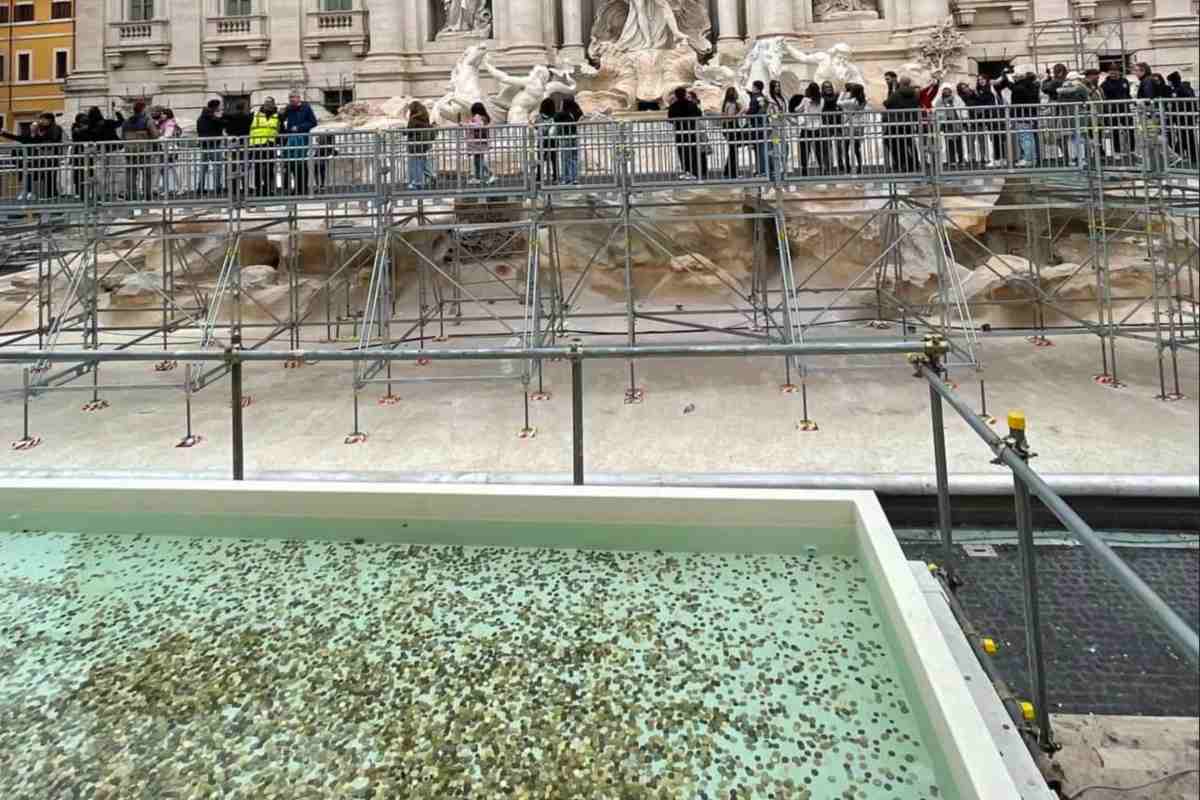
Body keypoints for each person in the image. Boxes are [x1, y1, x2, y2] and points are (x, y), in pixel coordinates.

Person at [0, 112, 65, 201]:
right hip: (39, 159)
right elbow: (24, 139)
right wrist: (5, 134)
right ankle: (30, 191)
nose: (40, 121)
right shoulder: (38, 130)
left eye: (42, 119)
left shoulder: (55, 128)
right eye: (40, 119)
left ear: (49, 120)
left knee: (50, 179)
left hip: (50, 159)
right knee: (29, 172)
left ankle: (52, 197)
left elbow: (51, 141)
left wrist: (37, 138)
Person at [121, 100, 160, 200]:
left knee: (130, 175)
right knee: (147, 174)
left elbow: (122, 137)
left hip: (130, 152)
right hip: (144, 151)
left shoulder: (126, 121)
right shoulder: (147, 120)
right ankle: (147, 195)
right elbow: (155, 135)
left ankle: (131, 195)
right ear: (143, 109)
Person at [282, 91, 318, 195]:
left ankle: (302, 187)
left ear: (299, 98)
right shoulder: (289, 109)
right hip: (290, 139)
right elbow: (282, 120)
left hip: (302, 138)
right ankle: (296, 187)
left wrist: (299, 127)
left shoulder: (306, 108)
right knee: (291, 163)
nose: (291, 99)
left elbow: (313, 122)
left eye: (293, 97)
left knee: (301, 163)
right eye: (290, 98)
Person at [882, 76, 921, 173]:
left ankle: (906, 163)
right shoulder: (915, 94)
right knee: (909, 142)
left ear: (901, 83)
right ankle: (914, 163)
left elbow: (887, 103)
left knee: (890, 141)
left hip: (895, 123)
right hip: (908, 122)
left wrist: (893, 91)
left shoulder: (897, 93)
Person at [1004, 68, 1042, 166]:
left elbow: (1012, 87)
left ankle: (1028, 159)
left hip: (1022, 114)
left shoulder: (1021, 86)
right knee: (1028, 136)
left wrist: (1005, 76)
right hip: (1030, 114)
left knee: (1025, 137)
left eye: (1015, 76)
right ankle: (1031, 158)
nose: (1014, 78)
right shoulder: (1032, 85)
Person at [249, 96, 283, 197]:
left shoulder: (278, 116)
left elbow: (281, 129)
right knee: (258, 169)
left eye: (270, 103)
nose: (268, 105)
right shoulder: (255, 114)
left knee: (269, 168)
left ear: (273, 104)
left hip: (270, 143)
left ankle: (269, 189)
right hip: (257, 144)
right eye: (266, 103)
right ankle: (259, 190)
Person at [667, 86, 702, 180]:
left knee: (682, 152)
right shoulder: (691, 104)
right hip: (691, 131)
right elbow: (699, 114)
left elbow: (670, 119)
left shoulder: (673, 106)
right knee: (693, 151)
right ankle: (694, 172)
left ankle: (686, 171)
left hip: (680, 132)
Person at [1101, 65, 1133, 160]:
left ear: (1119, 72)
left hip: (1125, 110)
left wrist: (1131, 102)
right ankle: (1117, 151)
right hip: (1112, 111)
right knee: (1115, 131)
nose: (1113, 73)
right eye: (1111, 71)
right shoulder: (1105, 84)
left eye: (1115, 71)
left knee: (1130, 129)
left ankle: (1131, 150)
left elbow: (1127, 94)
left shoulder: (1124, 81)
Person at [222, 100, 253, 198]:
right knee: (244, 167)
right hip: (244, 143)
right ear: (244, 108)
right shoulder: (248, 117)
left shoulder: (230, 117)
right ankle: (245, 188)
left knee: (233, 167)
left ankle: (234, 189)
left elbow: (226, 129)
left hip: (233, 143)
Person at [974, 76, 1007, 166]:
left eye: (983, 79)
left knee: (999, 137)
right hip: (990, 116)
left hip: (996, 115)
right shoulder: (979, 91)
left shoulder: (992, 87)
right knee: (995, 138)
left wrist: (1003, 75)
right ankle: (998, 159)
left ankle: (1000, 159)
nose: (981, 81)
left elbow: (1003, 83)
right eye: (979, 80)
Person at [836, 82, 868, 174]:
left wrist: (843, 93)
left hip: (849, 125)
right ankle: (860, 167)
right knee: (856, 148)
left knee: (845, 147)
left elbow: (838, 102)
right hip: (859, 126)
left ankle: (848, 167)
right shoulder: (863, 101)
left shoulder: (852, 101)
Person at [196, 99, 226, 196]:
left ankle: (200, 187)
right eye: (220, 106)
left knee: (203, 168)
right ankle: (217, 187)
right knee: (217, 167)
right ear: (216, 107)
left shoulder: (200, 118)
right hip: (214, 145)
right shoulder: (212, 117)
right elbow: (222, 124)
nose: (221, 107)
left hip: (204, 145)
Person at [1166, 71, 1197, 165]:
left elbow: (1182, 102)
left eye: (1169, 81)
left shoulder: (1179, 89)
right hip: (1185, 116)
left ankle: (1178, 154)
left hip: (1184, 117)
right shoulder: (1182, 88)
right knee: (1187, 136)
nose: (1168, 83)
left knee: (1185, 136)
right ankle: (1190, 156)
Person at [793, 82, 824, 177]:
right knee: (818, 150)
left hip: (806, 127)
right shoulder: (821, 100)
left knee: (804, 150)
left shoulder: (806, 100)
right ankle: (821, 169)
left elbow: (797, 109)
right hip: (818, 127)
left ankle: (805, 170)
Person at [405, 100, 437, 189]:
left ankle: (417, 183)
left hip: (414, 144)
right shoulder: (425, 117)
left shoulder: (413, 119)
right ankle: (430, 176)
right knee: (422, 162)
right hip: (424, 144)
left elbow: (408, 131)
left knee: (415, 164)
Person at [933, 84, 967, 168]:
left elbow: (963, 108)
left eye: (948, 89)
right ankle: (951, 160)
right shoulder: (939, 101)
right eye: (945, 89)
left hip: (956, 122)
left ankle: (961, 159)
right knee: (949, 143)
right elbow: (937, 111)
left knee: (959, 142)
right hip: (947, 124)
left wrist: (964, 119)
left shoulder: (956, 99)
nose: (946, 91)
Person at [554, 97, 584, 185]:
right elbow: (580, 114)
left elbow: (555, 119)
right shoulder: (575, 113)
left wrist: (560, 110)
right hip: (574, 138)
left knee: (565, 159)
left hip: (565, 138)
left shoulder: (562, 114)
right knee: (574, 158)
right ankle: (574, 178)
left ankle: (566, 178)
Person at [154, 107, 181, 196]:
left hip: (170, 149)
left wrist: (158, 138)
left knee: (171, 169)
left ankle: (179, 187)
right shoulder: (166, 122)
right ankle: (167, 188)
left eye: (163, 114)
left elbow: (167, 135)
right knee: (166, 169)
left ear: (167, 115)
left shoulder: (170, 123)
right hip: (166, 149)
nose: (162, 115)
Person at [464, 101, 492, 186]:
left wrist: (466, 124)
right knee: (477, 160)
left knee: (479, 160)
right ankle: (478, 177)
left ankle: (491, 174)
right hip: (480, 141)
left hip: (477, 142)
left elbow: (478, 125)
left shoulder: (478, 117)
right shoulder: (485, 117)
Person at [746, 80, 769, 177]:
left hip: (758, 125)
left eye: (753, 86)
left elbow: (761, 109)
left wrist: (750, 115)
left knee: (760, 148)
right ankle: (760, 169)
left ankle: (762, 170)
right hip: (759, 124)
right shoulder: (759, 96)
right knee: (758, 148)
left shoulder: (758, 97)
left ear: (755, 87)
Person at [819, 81, 843, 173]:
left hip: (837, 124)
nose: (828, 89)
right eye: (826, 87)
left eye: (829, 87)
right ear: (823, 88)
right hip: (826, 125)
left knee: (840, 147)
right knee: (826, 148)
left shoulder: (836, 96)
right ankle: (828, 167)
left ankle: (840, 165)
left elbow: (840, 108)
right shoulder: (821, 97)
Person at [720, 86, 742, 178]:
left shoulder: (726, 103)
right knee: (733, 150)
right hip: (731, 129)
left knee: (732, 150)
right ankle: (732, 172)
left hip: (727, 128)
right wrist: (741, 112)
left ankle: (728, 170)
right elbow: (731, 117)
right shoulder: (732, 104)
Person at [687, 90, 710, 179]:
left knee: (701, 151)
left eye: (689, 97)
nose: (688, 99)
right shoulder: (693, 106)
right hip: (697, 129)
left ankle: (702, 171)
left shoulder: (696, 107)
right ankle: (700, 170)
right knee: (698, 151)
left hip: (699, 130)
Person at [536, 98, 559, 185]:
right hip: (552, 139)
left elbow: (536, 126)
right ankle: (555, 177)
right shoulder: (555, 116)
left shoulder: (539, 117)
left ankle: (539, 177)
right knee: (554, 159)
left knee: (540, 159)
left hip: (542, 140)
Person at [70, 112, 91, 198]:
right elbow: (77, 135)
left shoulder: (89, 128)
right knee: (78, 173)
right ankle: (79, 192)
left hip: (87, 153)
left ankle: (86, 192)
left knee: (88, 172)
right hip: (78, 153)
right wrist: (83, 129)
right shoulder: (75, 127)